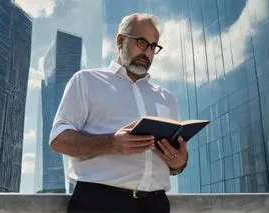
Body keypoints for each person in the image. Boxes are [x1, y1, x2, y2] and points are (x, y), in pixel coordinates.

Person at [49, 13, 188, 213]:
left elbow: (175, 165)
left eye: (153, 47)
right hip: (99, 203)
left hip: (156, 205)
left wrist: (178, 162)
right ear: (120, 40)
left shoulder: (166, 97)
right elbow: (58, 140)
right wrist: (111, 143)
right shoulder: (87, 81)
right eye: (141, 43)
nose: (147, 53)